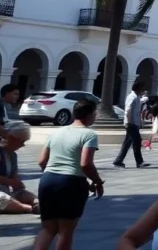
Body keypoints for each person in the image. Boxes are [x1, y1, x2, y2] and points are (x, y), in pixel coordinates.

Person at [35, 100, 104, 250]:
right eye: (95, 113)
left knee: (48, 229)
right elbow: (86, 164)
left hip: (47, 180)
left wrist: (53, 174)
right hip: (71, 183)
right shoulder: (89, 134)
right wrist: (97, 182)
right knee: (66, 231)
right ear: (90, 115)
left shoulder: (57, 132)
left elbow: (41, 161)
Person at [0, 121, 37, 214]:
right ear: (12, 138)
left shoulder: (13, 155)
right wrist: (9, 181)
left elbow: (14, 175)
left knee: (24, 194)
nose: (23, 145)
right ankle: (25, 208)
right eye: (21, 141)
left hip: (5, 190)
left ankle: (36, 203)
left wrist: (17, 183)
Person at [113, 80, 150, 169]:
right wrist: (129, 123)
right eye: (141, 88)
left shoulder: (136, 97)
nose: (143, 90)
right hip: (131, 123)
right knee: (137, 142)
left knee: (127, 143)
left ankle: (118, 161)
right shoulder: (132, 97)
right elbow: (128, 110)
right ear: (138, 88)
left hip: (134, 123)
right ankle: (139, 162)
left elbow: (137, 110)